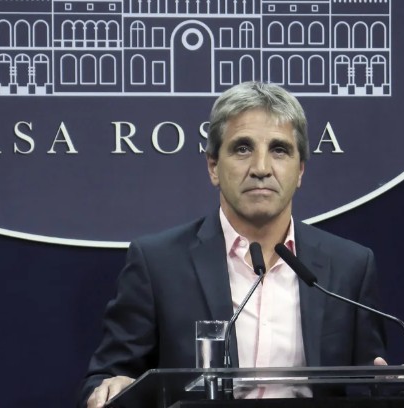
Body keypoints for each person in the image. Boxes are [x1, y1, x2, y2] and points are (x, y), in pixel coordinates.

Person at [80, 81, 387, 407]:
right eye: (242, 149)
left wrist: (387, 390)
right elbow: (107, 377)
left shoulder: (349, 267)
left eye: (279, 150)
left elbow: (372, 383)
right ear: (213, 166)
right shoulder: (158, 264)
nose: (261, 168)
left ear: (300, 170)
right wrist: (112, 386)